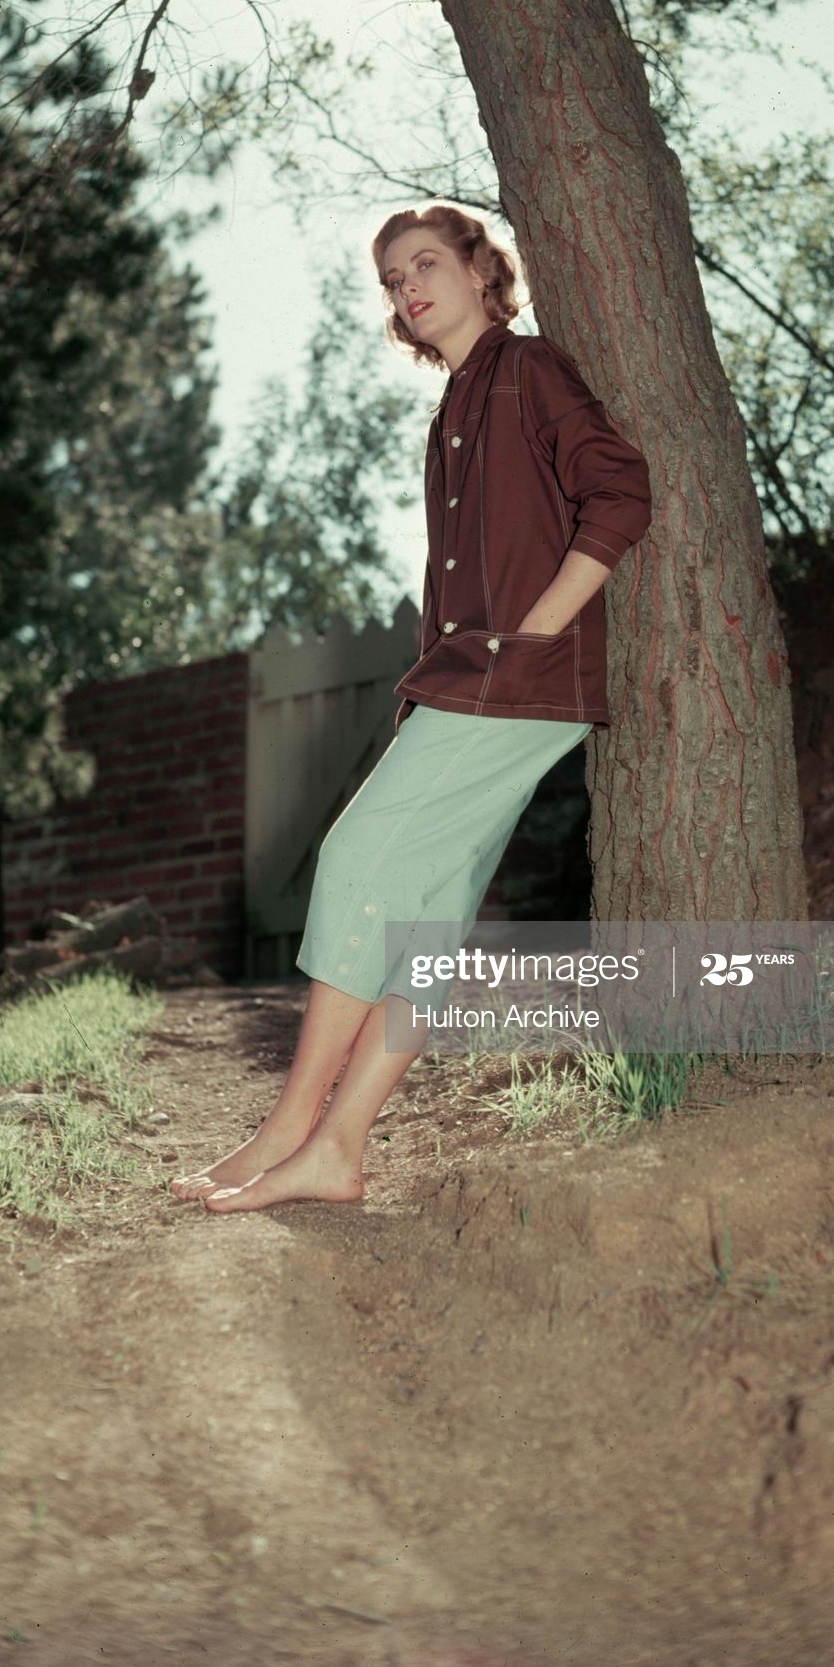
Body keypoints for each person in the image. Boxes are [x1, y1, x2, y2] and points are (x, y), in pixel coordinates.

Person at [170, 202, 652, 1213]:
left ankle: (288, 1128)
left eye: (425, 263)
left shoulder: (528, 369)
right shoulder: (455, 411)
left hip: (512, 685)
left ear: (481, 271)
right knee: (425, 927)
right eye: (393, 279)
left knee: (354, 858)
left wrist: (532, 635)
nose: (406, 288)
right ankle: (337, 1150)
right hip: (477, 681)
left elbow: (619, 492)